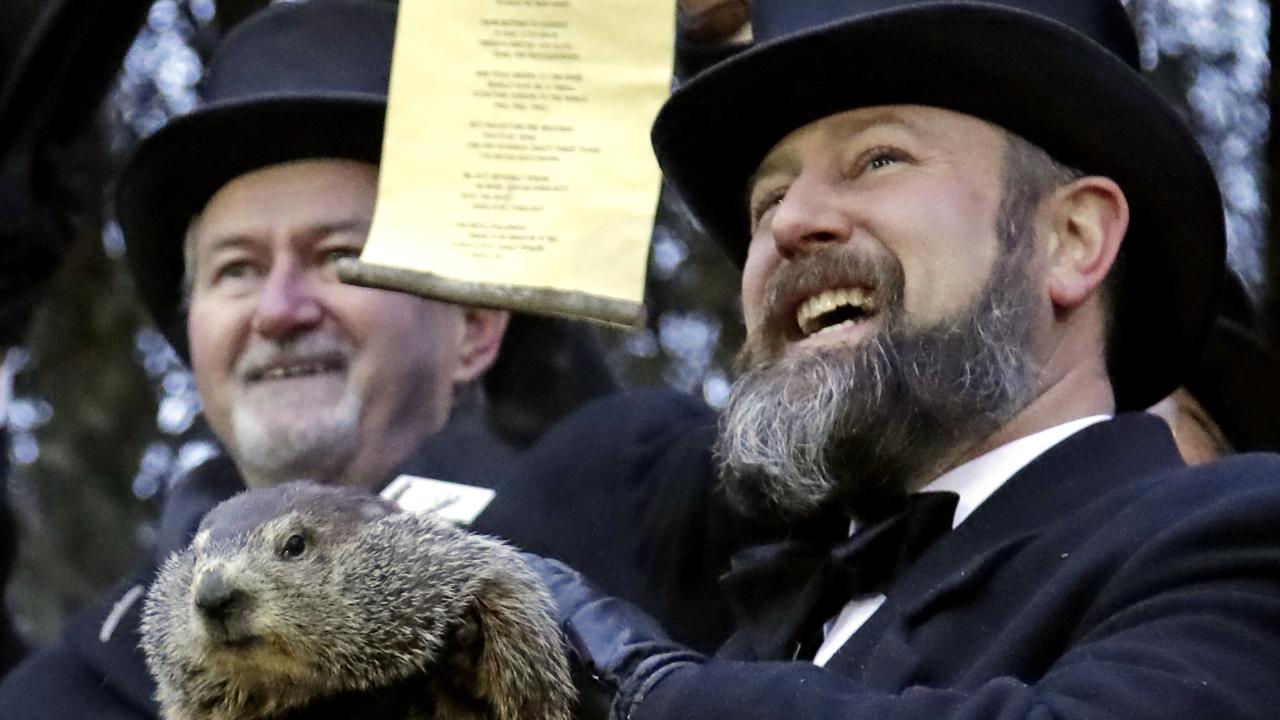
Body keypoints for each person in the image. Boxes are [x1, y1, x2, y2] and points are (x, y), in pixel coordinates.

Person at [523, 1, 1280, 719]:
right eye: (768, 200)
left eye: (879, 159)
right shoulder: (769, 629)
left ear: (1072, 238)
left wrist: (634, 691)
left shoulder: (1240, 532)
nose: (791, 224)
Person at [0, 1, 744, 715]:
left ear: (475, 326)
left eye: (341, 259)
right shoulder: (71, 683)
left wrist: (736, 42)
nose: (280, 310)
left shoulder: (645, 481)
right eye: (236, 270)